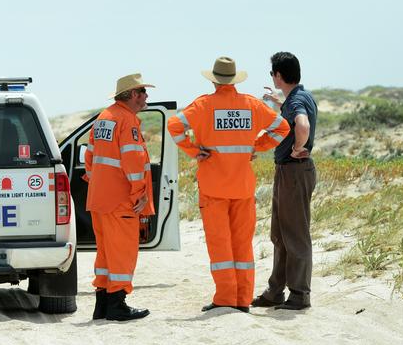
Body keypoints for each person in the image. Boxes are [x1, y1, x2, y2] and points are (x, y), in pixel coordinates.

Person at [167, 57, 290, 313]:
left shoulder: (204, 105)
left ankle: (225, 298)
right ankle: (242, 298)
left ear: (213, 80)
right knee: (242, 244)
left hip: (213, 188)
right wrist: (255, 147)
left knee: (220, 243)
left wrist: (193, 150)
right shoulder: (251, 105)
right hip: (243, 187)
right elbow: (282, 128)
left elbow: (174, 125)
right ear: (235, 79)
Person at [85, 73, 155, 321]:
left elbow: (90, 157)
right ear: (134, 94)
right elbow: (133, 162)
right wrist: (140, 194)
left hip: (100, 198)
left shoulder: (104, 118)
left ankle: (102, 305)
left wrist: (99, 182)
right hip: (121, 200)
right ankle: (117, 304)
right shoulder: (127, 120)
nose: (147, 96)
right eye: (144, 92)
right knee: (122, 253)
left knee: (105, 254)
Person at [251, 51, 318, 311]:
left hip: (294, 170)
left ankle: (299, 295)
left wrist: (297, 147)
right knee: (280, 234)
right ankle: (275, 291)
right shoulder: (298, 97)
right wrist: (277, 103)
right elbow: (294, 117)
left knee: (295, 235)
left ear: (278, 75)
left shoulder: (297, 100)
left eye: (272, 74)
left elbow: (301, 125)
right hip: (289, 171)